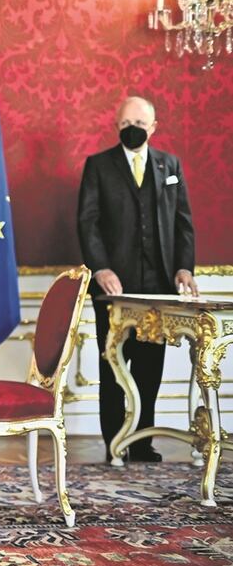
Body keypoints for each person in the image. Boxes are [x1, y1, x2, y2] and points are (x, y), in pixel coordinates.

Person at [77, 95, 196, 465]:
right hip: (113, 289)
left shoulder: (169, 165)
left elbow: (182, 223)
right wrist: (101, 268)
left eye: (140, 124)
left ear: (153, 128)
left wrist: (184, 267)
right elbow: (88, 222)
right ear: (116, 126)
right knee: (113, 364)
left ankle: (143, 442)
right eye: (126, 123)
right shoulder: (98, 166)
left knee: (149, 367)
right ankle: (115, 442)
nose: (133, 129)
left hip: (159, 287)